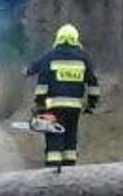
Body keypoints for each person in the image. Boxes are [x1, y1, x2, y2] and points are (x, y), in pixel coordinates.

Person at [24, 24, 101, 169]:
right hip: (74, 108)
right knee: (70, 139)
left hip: (53, 107)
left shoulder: (51, 56)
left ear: (58, 38)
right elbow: (93, 84)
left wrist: (39, 104)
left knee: (54, 137)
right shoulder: (84, 58)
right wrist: (91, 105)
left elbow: (42, 81)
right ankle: (69, 174)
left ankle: (52, 174)